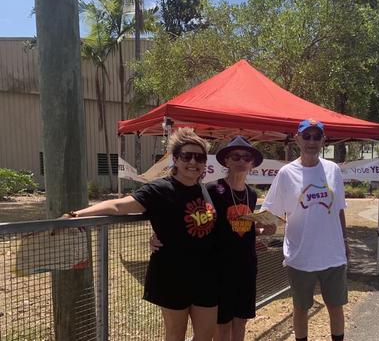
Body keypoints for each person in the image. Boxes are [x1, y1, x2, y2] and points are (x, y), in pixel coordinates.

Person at [65, 128, 220, 341]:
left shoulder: (205, 191)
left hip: (206, 275)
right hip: (172, 274)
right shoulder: (160, 189)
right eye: (186, 156)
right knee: (176, 334)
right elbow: (119, 205)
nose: (193, 162)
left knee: (206, 334)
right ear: (175, 159)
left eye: (199, 157)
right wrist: (76, 214)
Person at [150, 135, 276, 341]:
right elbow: (186, 216)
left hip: (246, 267)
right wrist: (159, 235)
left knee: (241, 321)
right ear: (226, 160)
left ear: (252, 163)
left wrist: (263, 231)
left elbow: (241, 229)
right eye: (235, 156)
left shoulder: (251, 194)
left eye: (246, 157)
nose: (241, 161)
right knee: (222, 325)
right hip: (218, 269)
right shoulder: (210, 190)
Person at [261, 119, 349, 341]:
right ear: (297, 138)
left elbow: (339, 210)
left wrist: (345, 242)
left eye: (316, 136)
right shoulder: (286, 174)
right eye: (306, 136)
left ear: (323, 140)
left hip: (333, 255)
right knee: (301, 309)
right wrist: (261, 228)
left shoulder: (333, 170)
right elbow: (271, 213)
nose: (311, 141)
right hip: (300, 257)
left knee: (336, 307)